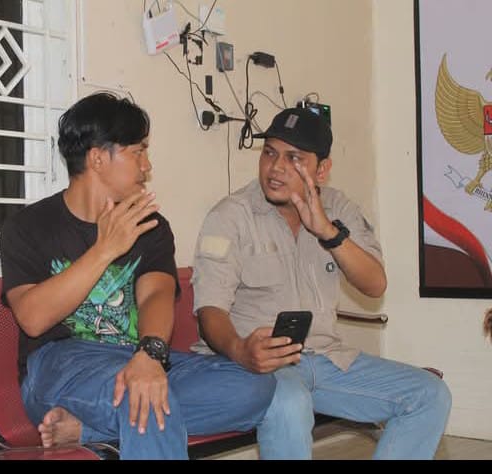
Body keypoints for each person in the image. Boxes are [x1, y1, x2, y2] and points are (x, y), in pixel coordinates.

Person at [0, 92, 276, 460]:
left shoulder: (151, 227)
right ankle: (119, 410)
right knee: (145, 399)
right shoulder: (28, 226)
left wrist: (150, 354)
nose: (147, 166)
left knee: (255, 387)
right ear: (98, 158)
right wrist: (105, 249)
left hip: (135, 356)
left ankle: (88, 429)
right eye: (138, 151)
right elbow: (33, 319)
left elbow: (156, 296)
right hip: (60, 364)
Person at [191, 107, 453, 460]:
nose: (276, 168)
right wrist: (240, 350)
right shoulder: (231, 216)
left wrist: (328, 232)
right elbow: (210, 310)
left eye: (294, 158)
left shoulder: (338, 208)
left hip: (326, 360)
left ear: (322, 170)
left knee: (429, 395)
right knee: (290, 401)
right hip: (258, 366)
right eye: (269, 153)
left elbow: (375, 284)